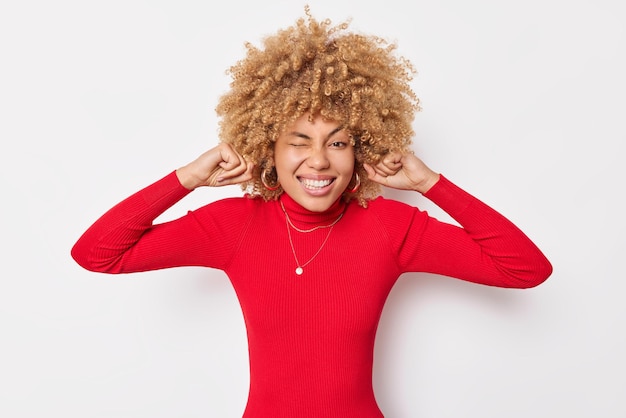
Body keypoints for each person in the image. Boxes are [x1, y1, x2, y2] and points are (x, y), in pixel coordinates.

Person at [71, 6, 552, 418]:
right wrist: (187, 178)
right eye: (298, 142)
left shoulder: (391, 227)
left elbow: (525, 269)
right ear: (268, 149)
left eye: (338, 143)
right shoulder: (233, 225)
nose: (319, 160)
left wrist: (430, 184)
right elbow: (98, 254)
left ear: (360, 149)